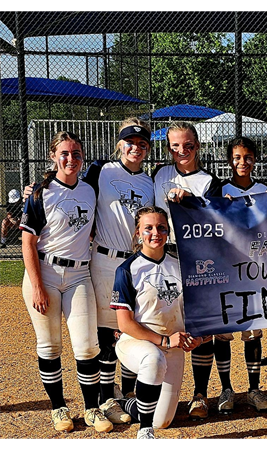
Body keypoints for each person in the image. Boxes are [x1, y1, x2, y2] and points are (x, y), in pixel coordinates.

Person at [20, 131, 113, 434]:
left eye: (76, 153)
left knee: (87, 347)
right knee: (50, 346)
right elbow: (28, 243)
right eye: (64, 153)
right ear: (53, 156)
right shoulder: (40, 193)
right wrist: (37, 286)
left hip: (79, 275)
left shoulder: (90, 189)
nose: (71, 158)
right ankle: (58, 406)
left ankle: (91, 408)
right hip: (45, 272)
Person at [82, 118, 155, 423]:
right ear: (120, 144)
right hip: (104, 259)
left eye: (142, 144)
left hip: (136, 262)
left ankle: (128, 393)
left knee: (132, 326)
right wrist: (38, 187)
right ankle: (106, 397)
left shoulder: (150, 181)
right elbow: (72, 189)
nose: (135, 148)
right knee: (105, 332)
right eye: (130, 142)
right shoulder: (102, 170)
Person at [111, 206, 203, 439]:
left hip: (173, 345)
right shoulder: (127, 269)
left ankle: (125, 403)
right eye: (148, 228)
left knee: (162, 420)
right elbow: (125, 324)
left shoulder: (180, 266)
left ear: (168, 231)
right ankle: (145, 430)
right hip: (137, 341)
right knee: (153, 359)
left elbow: (194, 310)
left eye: (161, 228)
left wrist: (198, 336)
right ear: (137, 232)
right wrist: (164, 341)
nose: (155, 233)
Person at [151, 122, 222, 421]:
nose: (182, 151)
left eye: (188, 145)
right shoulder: (159, 174)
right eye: (175, 146)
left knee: (199, 327)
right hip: (162, 255)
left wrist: (191, 200)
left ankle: (200, 394)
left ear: (198, 146)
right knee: (161, 319)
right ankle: (155, 390)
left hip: (195, 257)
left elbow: (216, 219)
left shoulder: (209, 181)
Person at [214, 137, 267, 415]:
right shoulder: (219, 188)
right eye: (237, 157)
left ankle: (253, 388)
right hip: (226, 268)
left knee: (252, 330)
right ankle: (226, 388)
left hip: (254, 270)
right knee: (224, 331)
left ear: (255, 159)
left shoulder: (264, 189)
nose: (242, 162)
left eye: (248, 157)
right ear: (229, 160)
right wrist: (217, 204)